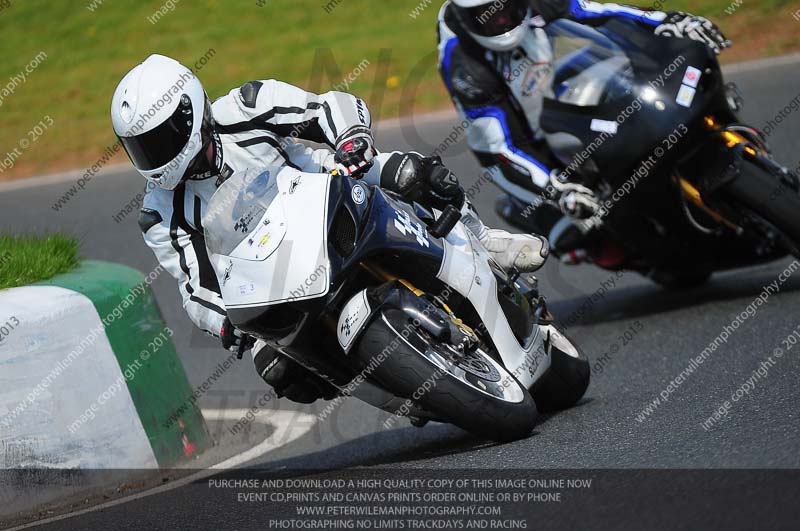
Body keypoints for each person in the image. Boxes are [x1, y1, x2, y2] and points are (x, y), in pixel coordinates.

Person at [111, 54, 549, 403]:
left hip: (327, 192)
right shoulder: (159, 212)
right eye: (141, 147)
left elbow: (325, 107)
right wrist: (225, 323)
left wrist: (351, 138)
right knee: (279, 368)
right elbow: (194, 285)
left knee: (416, 176)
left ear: (190, 112)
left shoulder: (245, 106)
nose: (154, 155)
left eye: (161, 139)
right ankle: (402, 382)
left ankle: (483, 239)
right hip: (268, 280)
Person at [437, 0, 730, 263]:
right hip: (525, 142)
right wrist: (556, 191)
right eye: (487, 16)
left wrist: (667, 21)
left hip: (554, 86)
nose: (501, 21)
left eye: (506, 8)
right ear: (465, 18)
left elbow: (595, 11)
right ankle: (623, 250)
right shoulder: (463, 64)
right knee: (576, 233)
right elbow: (497, 146)